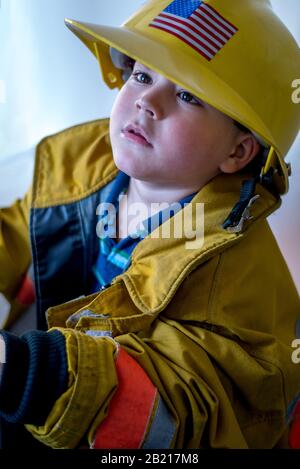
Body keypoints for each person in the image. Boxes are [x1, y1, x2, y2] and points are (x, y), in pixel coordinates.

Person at [0, 0, 300, 449]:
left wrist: (31, 373)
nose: (147, 101)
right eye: (142, 75)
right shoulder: (79, 171)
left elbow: (180, 411)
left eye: (187, 95)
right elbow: (16, 233)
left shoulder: (233, 280)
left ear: (238, 153)